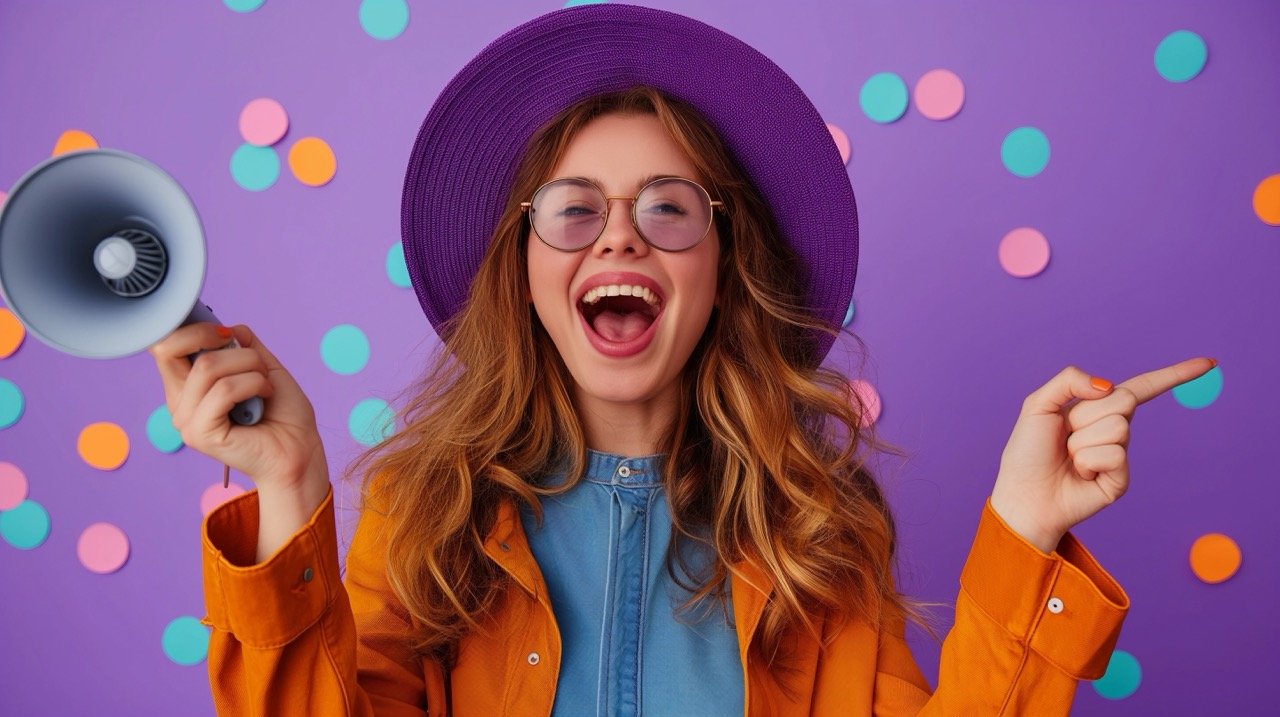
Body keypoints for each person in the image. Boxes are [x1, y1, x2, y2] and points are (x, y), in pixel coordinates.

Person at [148, 4, 1212, 715]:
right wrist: (287, 489)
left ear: (720, 267)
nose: (617, 240)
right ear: (521, 272)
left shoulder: (819, 536)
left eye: (666, 208)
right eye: (572, 212)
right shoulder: (424, 518)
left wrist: (1024, 533)